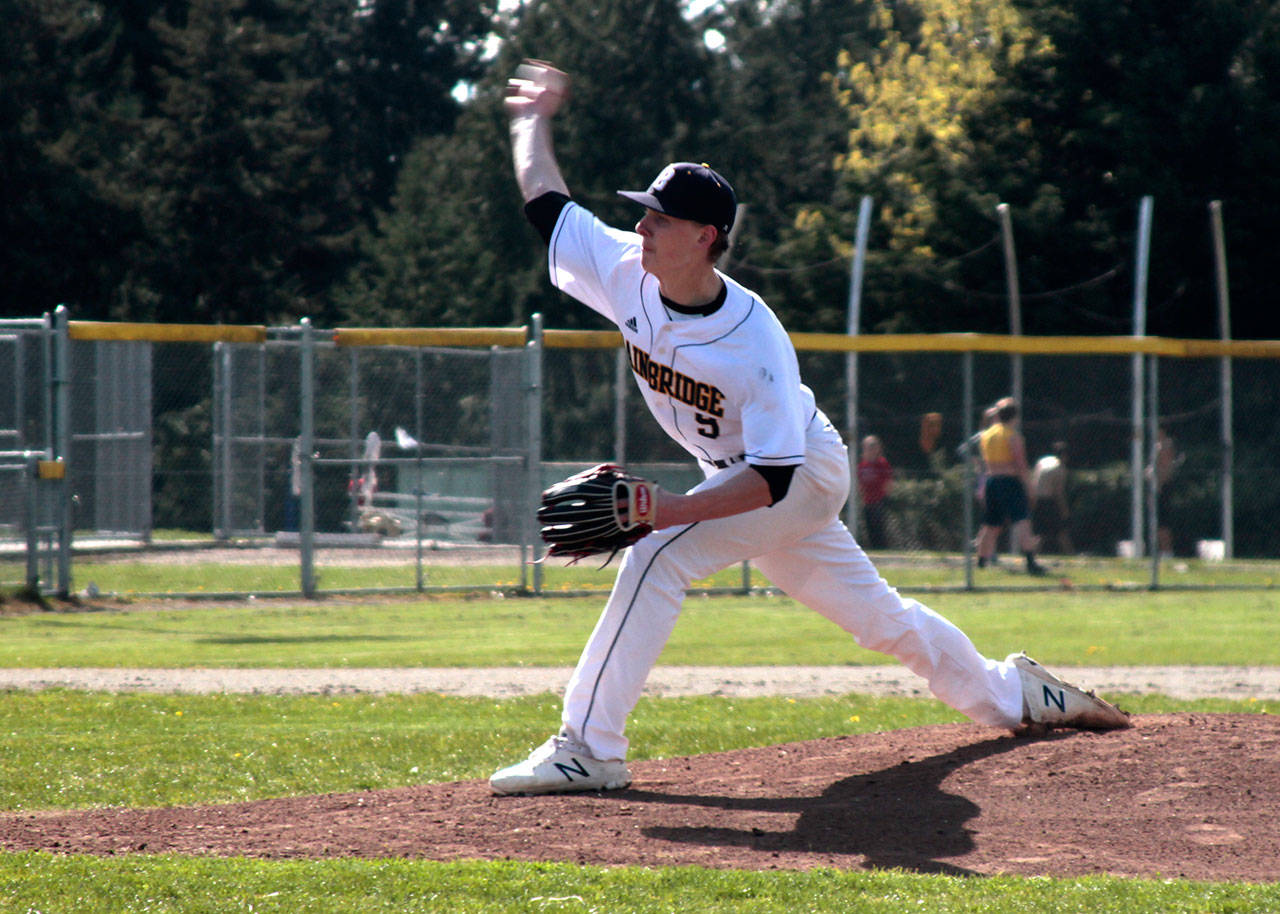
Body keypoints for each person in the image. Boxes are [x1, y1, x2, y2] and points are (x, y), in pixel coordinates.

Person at [489, 60, 1126, 796]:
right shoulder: (627, 266)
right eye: (644, 213)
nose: (641, 226)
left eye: (659, 218)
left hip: (793, 474)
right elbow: (545, 201)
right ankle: (1016, 694)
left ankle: (589, 748)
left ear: (704, 236)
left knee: (658, 554)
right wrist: (531, 118)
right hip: (742, 478)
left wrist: (674, 512)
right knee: (880, 620)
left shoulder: (752, 339)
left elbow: (772, 478)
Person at [975, 398, 1046, 575]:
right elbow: (1021, 464)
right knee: (1022, 520)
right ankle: (1031, 562)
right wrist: (1029, 487)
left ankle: (981, 562)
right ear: (1014, 416)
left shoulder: (987, 435)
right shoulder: (1013, 436)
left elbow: (984, 461)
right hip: (1009, 481)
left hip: (992, 480)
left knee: (990, 524)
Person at [1031, 441, 1072, 555]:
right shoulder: (1060, 468)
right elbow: (1058, 492)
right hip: (1049, 501)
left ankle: (1032, 554)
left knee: (1040, 532)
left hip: (1037, 499)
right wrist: (1064, 510)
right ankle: (1070, 554)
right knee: (1061, 531)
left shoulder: (1042, 461)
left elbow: (1034, 480)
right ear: (1064, 455)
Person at [1147, 427, 1181, 556]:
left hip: (1162, 488)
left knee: (1163, 523)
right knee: (1157, 523)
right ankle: (1161, 550)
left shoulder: (1165, 446)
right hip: (1157, 487)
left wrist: (1159, 486)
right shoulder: (1157, 446)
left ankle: (1166, 551)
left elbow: (1166, 469)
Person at [856, 435, 894, 550]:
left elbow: (888, 483)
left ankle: (882, 549)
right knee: (869, 528)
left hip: (879, 502)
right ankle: (873, 549)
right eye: (868, 447)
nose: (870, 449)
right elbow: (859, 484)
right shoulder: (862, 465)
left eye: (873, 446)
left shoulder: (882, 464)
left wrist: (885, 499)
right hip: (867, 502)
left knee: (879, 529)